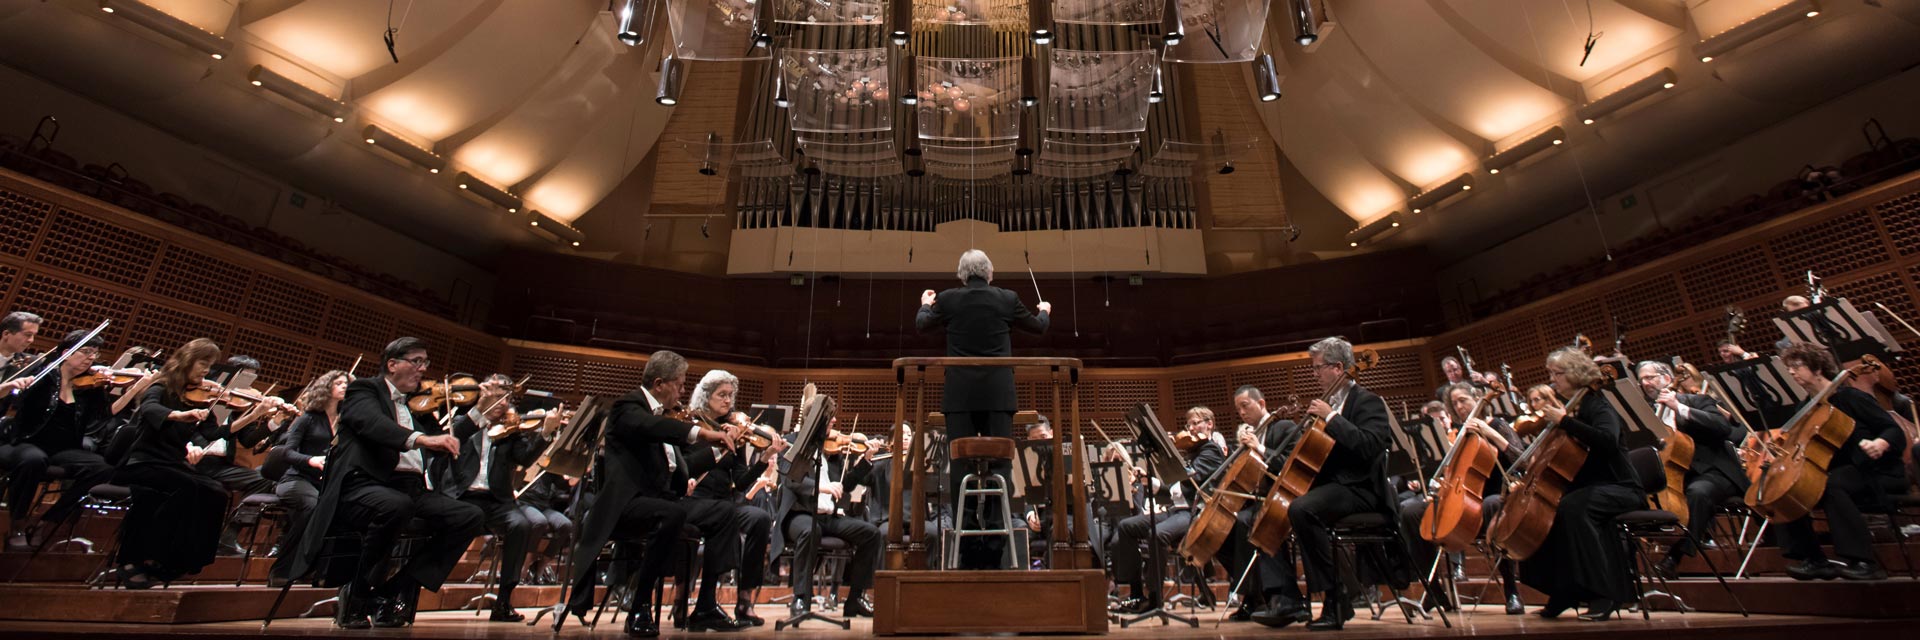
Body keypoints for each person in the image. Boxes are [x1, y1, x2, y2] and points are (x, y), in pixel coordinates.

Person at [287, 337, 479, 629]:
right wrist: (421, 439)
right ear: (392, 364)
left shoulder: (418, 405)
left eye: (425, 363)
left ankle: (391, 591)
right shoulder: (364, 390)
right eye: (417, 361)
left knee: (470, 516)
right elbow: (371, 423)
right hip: (366, 485)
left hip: (412, 489)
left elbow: (448, 436)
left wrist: (482, 409)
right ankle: (358, 595)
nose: (423, 370)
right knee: (395, 506)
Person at [562, 350, 734, 637]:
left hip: (660, 502)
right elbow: (649, 427)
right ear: (659, 384)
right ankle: (639, 604)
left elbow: (685, 468)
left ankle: (705, 605)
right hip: (625, 506)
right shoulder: (628, 407)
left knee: (725, 513)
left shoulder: (666, 416)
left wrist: (718, 448)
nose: (682, 391)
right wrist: (702, 433)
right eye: (679, 384)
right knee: (673, 514)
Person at [915, 249, 1050, 569]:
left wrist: (924, 302)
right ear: (990, 273)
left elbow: (922, 325)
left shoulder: (948, 299)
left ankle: (967, 543)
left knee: (961, 469)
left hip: (960, 398)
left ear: (962, 275)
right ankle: (994, 543)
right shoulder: (1006, 298)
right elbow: (1038, 327)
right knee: (999, 468)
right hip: (998, 397)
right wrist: (1044, 310)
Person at [1516, 347, 1644, 621]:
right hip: (1591, 487)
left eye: (1557, 374)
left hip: (1620, 486)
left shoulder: (1596, 403)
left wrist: (1564, 422)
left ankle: (1604, 593)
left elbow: (1608, 441)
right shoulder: (1573, 406)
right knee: (1545, 513)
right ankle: (1563, 590)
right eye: (1550, 374)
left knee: (1573, 509)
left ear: (1575, 374)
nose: (1553, 380)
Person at [1773, 344, 1908, 581]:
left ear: (1817, 368)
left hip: (1875, 470)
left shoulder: (1851, 397)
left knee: (1831, 485)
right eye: (1789, 368)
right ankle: (1813, 559)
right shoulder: (1804, 407)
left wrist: (1880, 443)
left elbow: (1892, 430)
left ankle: (1864, 561)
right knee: (1789, 490)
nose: (1792, 373)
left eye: (1797, 366)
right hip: (1836, 470)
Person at [1397, 383, 1527, 615]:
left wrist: (1492, 435)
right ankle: (1434, 590)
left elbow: (1523, 460)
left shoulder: (1497, 424)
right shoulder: (1456, 432)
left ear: (1477, 397)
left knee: (1492, 504)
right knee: (1410, 512)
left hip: (1492, 495)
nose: (1459, 406)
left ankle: (1511, 591)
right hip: (1458, 495)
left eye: (1463, 400)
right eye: (1454, 403)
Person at [112, 338, 231, 588]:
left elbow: (214, 434)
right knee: (184, 487)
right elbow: (150, 409)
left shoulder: (198, 397)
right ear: (188, 360)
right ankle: (135, 558)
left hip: (171, 464)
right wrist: (179, 415)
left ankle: (181, 559)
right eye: (203, 363)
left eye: (209, 366)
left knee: (217, 492)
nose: (206, 371)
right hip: (142, 461)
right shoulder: (161, 387)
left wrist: (256, 413)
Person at [444, 374, 550, 622]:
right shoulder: (463, 422)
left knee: (521, 524)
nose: (503, 402)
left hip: (496, 500)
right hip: (462, 497)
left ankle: (504, 601)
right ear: (484, 394)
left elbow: (524, 459)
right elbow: (451, 442)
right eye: (498, 395)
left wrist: (545, 432)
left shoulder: (511, 431)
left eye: (507, 397)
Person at [687, 370, 784, 627]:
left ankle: (744, 600)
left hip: (725, 501)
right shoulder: (694, 426)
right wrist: (720, 443)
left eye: (731, 395)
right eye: (722, 395)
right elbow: (688, 467)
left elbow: (741, 481)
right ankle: (706, 601)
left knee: (760, 519)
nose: (729, 401)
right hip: (696, 500)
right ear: (705, 396)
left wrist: (764, 459)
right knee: (725, 515)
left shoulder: (734, 431)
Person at [3, 330, 116, 551]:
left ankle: (48, 521)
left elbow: (103, 417)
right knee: (34, 460)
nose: (91, 358)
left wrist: (117, 389)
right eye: (86, 352)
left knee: (102, 469)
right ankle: (17, 522)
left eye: (95, 353)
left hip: (63, 449)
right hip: (28, 441)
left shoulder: (87, 386)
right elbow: (16, 399)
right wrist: (22, 383)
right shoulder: (44, 376)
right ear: (67, 353)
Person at [1636, 361, 1748, 579]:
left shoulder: (1698, 400)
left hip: (1715, 472)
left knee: (1698, 494)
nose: (1645, 383)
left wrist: (1680, 408)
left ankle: (1676, 557)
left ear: (1667, 379)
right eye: (1641, 380)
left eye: (1649, 377)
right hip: (1678, 476)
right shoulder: (1649, 414)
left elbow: (1724, 428)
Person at [1109, 406, 1224, 615]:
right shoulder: (1190, 452)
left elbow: (1194, 481)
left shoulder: (1211, 450)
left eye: (1196, 423)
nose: (1191, 428)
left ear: (1210, 424)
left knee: (1157, 534)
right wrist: (1148, 480)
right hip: (1176, 510)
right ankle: (1136, 593)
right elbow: (1173, 491)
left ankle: (1155, 599)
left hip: (1195, 512)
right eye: (1189, 424)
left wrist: (1175, 464)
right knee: (1127, 527)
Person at [777, 415, 883, 619]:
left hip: (828, 517)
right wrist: (821, 487)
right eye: (828, 417)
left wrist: (866, 460)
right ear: (813, 418)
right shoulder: (793, 443)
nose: (834, 421)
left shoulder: (831, 451)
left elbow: (846, 486)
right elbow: (791, 480)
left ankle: (856, 599)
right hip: (800, 514)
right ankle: (800, 598)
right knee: (810, 531)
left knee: (871, 533)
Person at [266, 369, 346, 586]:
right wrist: (311, 460)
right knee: (312, 508)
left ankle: (318, 570)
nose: (344, 386)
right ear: (326, 387)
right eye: (339, 383)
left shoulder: (344, 423)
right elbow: (287, 452)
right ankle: (282, 570)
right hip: (295, 480)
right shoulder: (308, 418)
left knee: (342, 512)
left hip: (323, 484)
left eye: (346, 383)